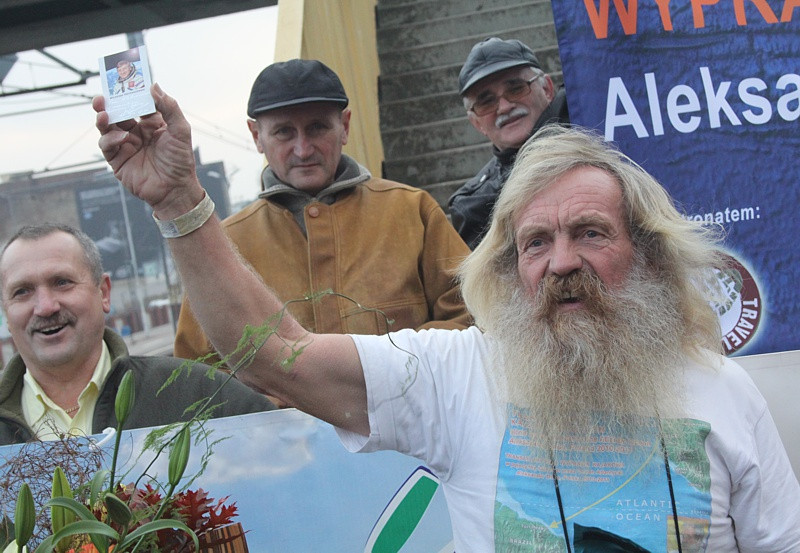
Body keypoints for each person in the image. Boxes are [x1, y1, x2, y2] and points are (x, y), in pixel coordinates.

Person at [94, 86, 800, 550]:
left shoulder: (724, 392)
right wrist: (182, 202)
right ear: (511, 271)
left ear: (644, 253)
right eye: (535, 243)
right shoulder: (459, 373)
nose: (560, 263)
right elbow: (275, 352)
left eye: (589, 232)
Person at [173, 59, 471, 367]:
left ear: (345, 126)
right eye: (284, 132)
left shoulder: (412, 211)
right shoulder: (225, 244)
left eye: (317, 128)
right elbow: (196, 369)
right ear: (255, 136)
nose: (303, 150)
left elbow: (471, 313)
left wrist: (390, 371)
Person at [0, 224, 274, 445]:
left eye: (62, 282)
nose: (46, 307)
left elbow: (292, 452)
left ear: (104, 292)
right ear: (6, 312)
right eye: (22, 291)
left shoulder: (194, 393)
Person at [447, 37, 570, 249]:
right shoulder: (475, 206)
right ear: (477, 123)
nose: (504, 107)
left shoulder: (593, 116)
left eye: (516, 89)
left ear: (548, 89)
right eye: (486, 102)